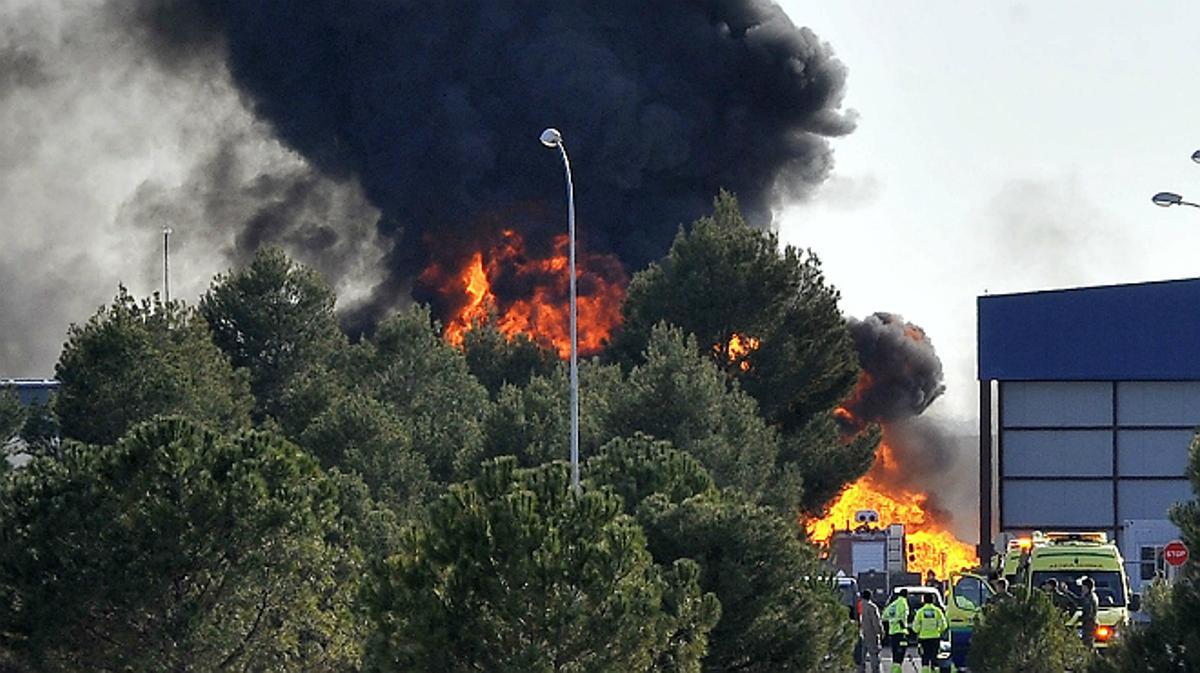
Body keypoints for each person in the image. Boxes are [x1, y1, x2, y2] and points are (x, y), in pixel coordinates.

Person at [910, 593, 948, 673]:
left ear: (924, 600)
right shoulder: (937, 611)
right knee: (935, 658)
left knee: (925, 659)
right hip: (935, 638)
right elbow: (944, 625)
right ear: (933, 600)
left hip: (923, 639)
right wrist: (938, 631)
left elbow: (915, 627)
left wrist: (919, 631)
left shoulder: (920, 612)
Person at [881, 589, 910, 673]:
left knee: (895, 654)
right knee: (900, 654)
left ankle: (895, 670)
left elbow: (884, 616)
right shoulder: (903, 603)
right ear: (906, 595)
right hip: (901, 632)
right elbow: (903, 616)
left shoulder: (893, 605)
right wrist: (901, 623)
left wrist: (891, 620)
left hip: (892, 633)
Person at [858, 590, 884, 673]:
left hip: (860, 632)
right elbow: (876, 622)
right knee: (874, 654)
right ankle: (875, 670)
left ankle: (861, 670)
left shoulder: (859, 605)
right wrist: (880, 632)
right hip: (870, 633)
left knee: (860, 655)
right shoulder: (872, 607)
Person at [1079, 576, 1099, 648]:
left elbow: (1089, 612)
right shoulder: (1091, 596)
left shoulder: (1089, 598)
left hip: (1089, 624)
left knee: (1088, 644)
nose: (1082, 588)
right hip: (1091, 623)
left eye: (1083, 587)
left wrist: (1081, 618)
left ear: (1087, 587)